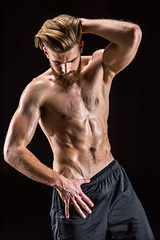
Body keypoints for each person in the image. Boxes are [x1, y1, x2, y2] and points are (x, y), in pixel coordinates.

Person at [3, 14, 155, 240]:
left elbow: (133, 34)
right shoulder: (37, 91)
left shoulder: (100, 66)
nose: (65, 69)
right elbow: (12, 150)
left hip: (114, 180)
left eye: (71, 60)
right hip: (76, 193)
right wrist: (60, 182)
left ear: (81, 45)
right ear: (46, 52)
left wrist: (80, 25)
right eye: (57, 62)